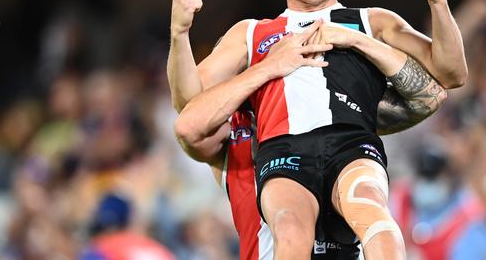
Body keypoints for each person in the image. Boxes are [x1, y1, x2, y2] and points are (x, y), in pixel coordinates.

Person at [170, 0, 466, 259]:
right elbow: (191, 104)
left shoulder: (373, 21)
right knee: (291, 231)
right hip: (284, 151)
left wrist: (437, 0)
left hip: (350, 142)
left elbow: (452, 73)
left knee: (373, 213)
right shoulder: (252, 34)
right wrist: (179, 34)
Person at [170, 29, 447, 260]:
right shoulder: (234, 146)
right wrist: (267, 66)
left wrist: (359, 40)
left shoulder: (334, 129)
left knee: (366, 203)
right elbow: (188, 124)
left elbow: (434, 92)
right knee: (291, 227)